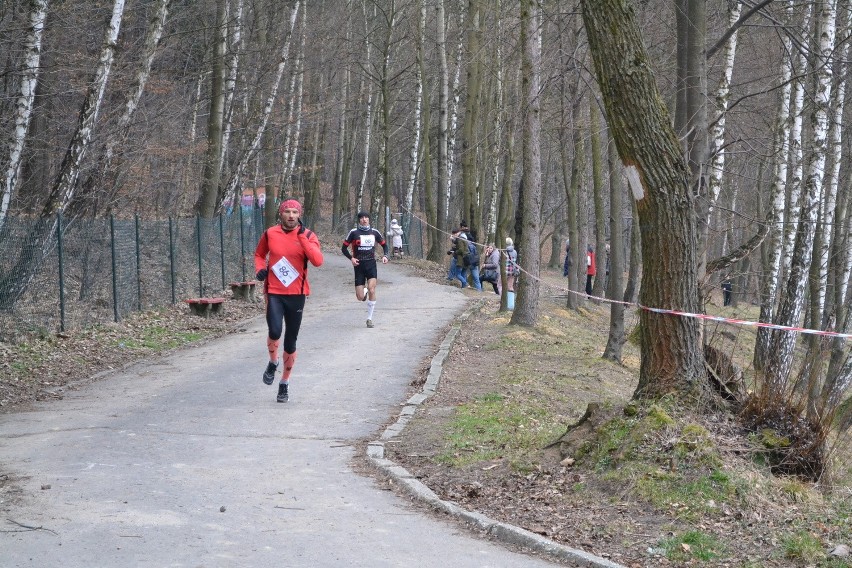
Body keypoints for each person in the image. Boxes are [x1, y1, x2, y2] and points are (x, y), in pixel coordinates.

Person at [254, 198, 324, 403]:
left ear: (299, 215)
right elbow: (259, 254)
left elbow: (318, 261)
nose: (291, 216)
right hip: (274, 291)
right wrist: (260, 269)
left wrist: (302, 239)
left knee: (290, 341)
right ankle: (273, 362)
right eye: (288, 212)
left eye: (295, 212)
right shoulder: (270, 233)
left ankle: (284, 383)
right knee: (275, 331)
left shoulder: (309, 235)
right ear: (281, 214)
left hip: (297, 294)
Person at [342, 211, 389, 328]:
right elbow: (343, 248)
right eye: (362, 218)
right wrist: (351, 258)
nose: (364, 219)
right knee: (360, 297)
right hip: (358, 266)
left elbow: (385, 245)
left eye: (366, 217)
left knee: (372, 289)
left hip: (371, 264)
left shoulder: (374, 232)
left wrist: (385, 256)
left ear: (369, 219)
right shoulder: (354, 232)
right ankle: (365, 292)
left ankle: (369, 318)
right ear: (359, 220)